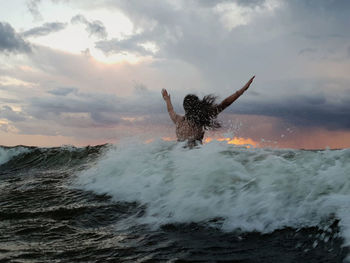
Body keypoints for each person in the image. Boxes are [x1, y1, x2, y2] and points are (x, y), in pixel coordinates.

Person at [161, 76, 255, 147]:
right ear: (198, 105)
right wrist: (242, 90)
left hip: (179, 154)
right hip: (195, 155)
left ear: (185, 107)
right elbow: (225, 104)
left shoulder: (178, 120)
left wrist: (167, 100)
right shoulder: (201, 120)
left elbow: (170, 110)